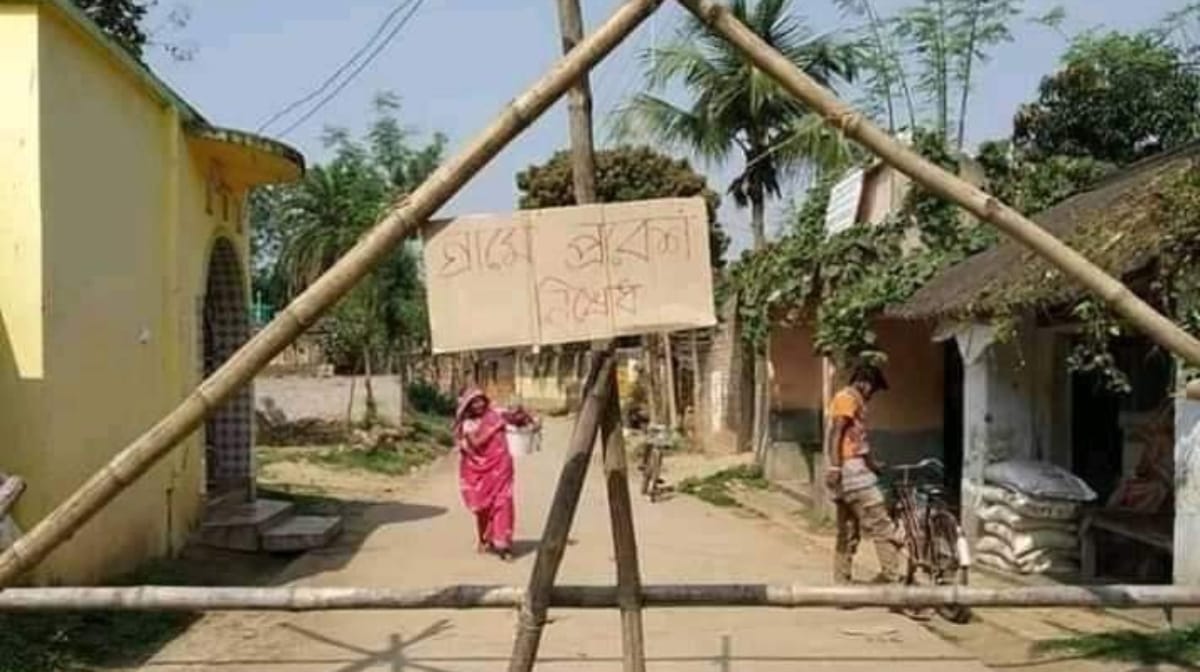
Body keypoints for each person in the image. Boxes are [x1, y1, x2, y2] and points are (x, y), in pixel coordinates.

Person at [823, 364, 904, 586]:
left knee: (848, 531)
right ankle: (892, 580)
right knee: (882, 525)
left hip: (853, 470)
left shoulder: (854, 402)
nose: (872, 395)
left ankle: (842, 584)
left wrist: (872, 463)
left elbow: (857, 441)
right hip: (851, 473)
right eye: (873, 389)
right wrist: (835, 468)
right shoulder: (847, 398)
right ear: (864, 383)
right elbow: (837, 433)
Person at [454, 387, 530, 561]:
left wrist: (520, 413)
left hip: (502, 466)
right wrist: (495, 427)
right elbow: (476, 443)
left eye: (481, 400)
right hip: (480, 471)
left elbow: (517, 420)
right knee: (484, 508)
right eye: (474, 402)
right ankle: (484, 538)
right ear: (468, 406)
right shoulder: (469, 424)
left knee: (504, 504)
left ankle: (504, 546)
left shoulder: (495, 413)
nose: (479, 404)